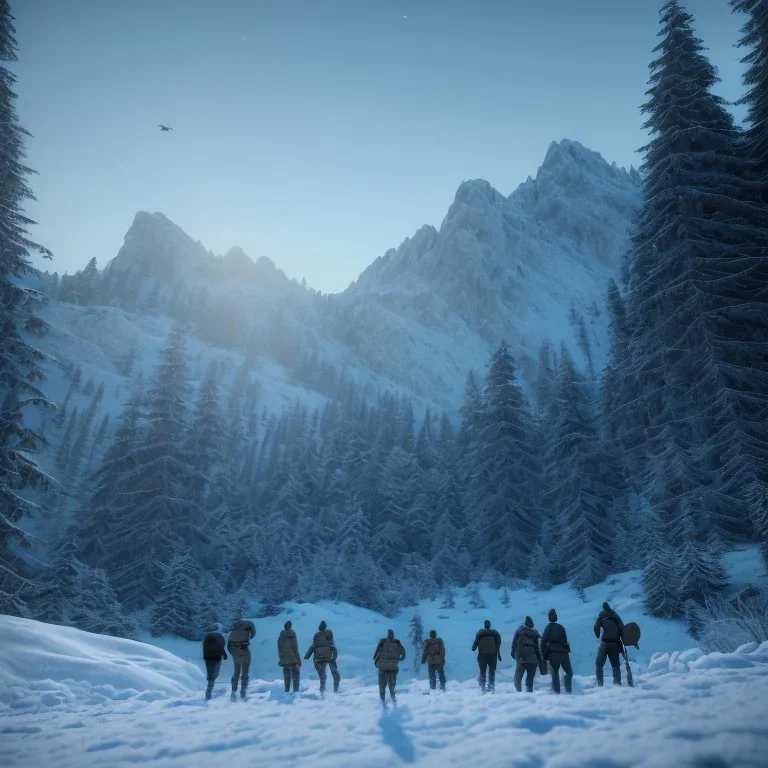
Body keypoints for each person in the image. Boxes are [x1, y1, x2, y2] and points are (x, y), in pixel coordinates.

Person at [541, 608, 573, 694]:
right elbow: (565, 640)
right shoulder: (561, 627)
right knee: (569, 672)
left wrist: (543, 655)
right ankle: (568, 689)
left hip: (553, 653)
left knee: (555, 670)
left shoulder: (548, 628)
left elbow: (543, 642)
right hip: (564, 652)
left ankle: (556, 691)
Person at [304, 621, 341, 693]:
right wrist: (334, 657)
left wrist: (307, 656)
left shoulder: (316, 635)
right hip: (329, 658)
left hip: (318, 659)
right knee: (336, 676)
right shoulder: (329, 634)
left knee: (322, 677)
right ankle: (335, 691)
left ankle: (322, 693)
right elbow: (333, 647)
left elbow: (313, 646)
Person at [594, 601, 624, 686]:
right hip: (615, 643)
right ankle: (617, 684)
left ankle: (600, 685)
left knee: (599, 664)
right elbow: (622, 628)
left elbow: (596, 627)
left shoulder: (602, 614)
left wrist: (597, 633)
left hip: (605, 643)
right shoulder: (615, 615)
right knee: (615, 665)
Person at [374, 628, 406, 705]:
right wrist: (397, 659)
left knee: (382, 686)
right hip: (393, 668)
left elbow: (375, 654)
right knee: (392, 686)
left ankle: (382, 702)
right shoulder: (397, 642)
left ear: (388, 635)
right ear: (393, 635)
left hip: (383, 667)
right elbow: (403, 655)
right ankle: (394, 701)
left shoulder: (383, 641)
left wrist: (377, 659)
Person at [227, 618, 256, 699]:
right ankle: (243, 689)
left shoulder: (234, 628)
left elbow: (229, 644)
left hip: (234, 649)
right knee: (245, 671)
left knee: (237, 670)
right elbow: (253, 635)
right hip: (244, 649)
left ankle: (233, 690)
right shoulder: (250, 626)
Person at [512, 616, 542, 692]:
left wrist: (514, 653)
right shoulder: (534, 633)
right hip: (533, 659)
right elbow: (537, 649)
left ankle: (519, 693)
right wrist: (539, 659)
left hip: (522, 657)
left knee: (517, 678)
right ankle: (529, 693)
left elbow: (514, 643)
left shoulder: (520, 631)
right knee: (530, 679)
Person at [472, 619, 502, 693]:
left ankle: (483, 687)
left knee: (483, 671)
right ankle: (491, 687)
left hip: (482, 655)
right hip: (492, 655)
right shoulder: (495, 633)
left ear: (484, 625)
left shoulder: (480, 633)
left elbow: (473, 648)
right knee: (492, 671)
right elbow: (498, 642)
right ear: (490, 625)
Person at [202, 622, 228, 700]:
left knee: (210, 675)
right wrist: (224, 654)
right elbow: (221, 647)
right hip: (216, 659)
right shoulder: (219, 636)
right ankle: (208, 693)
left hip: (208, 659)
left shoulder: (207, 637)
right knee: (214, 676)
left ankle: (208, 692)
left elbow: (204, 648)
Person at [278, 620, 302, 694]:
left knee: (287, 678)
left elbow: (279, 650)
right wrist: (299, 661)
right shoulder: (292, 634)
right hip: (293, 661)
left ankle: (286, 692)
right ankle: (296, 692)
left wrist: (281, 660)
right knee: (296, 676)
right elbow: (295, 648)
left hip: (284, 661)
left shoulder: (280, 637)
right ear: (290, 626)